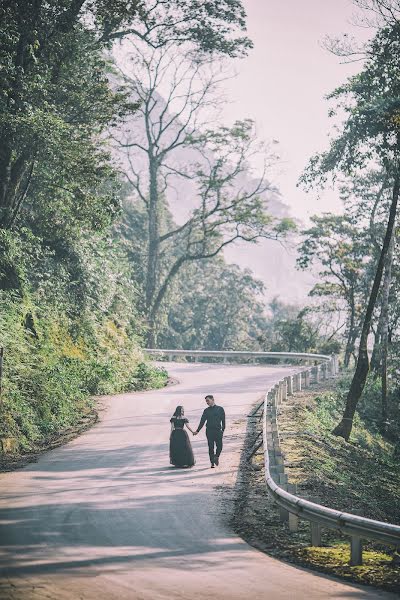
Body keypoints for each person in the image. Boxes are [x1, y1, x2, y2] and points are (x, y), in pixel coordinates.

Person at [193, 395, 225, 468]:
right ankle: (212, 463)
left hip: (218, 431)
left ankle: (216, 457)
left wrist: (222, 430)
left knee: (219, 446)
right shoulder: (206, 410)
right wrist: (197, 431)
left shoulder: (220, 409)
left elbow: (223, 421)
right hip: (209, 431)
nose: (207, 402)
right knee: (211, 447)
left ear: (212, 399)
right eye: (206, 401)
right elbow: (202, 421)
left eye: (208, 400)